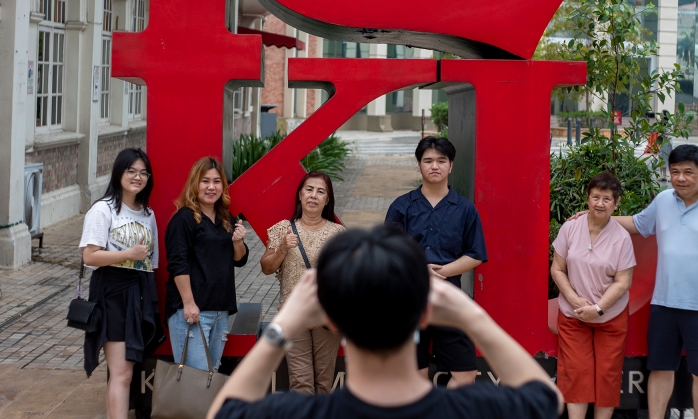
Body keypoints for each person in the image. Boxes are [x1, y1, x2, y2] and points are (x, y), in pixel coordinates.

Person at [209, 226, 563, 419]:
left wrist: (285, 322)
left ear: (331, 320)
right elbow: (547, 399)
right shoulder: (471, 410)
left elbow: (224, 410)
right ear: (426, 312)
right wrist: (470, 314)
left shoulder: (300, 412)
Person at [573, 144, 698, 419]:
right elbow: (638, 224)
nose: (680, 178)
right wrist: (595, 216)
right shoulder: (664, 200)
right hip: (664, 304)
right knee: (660, 368)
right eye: (675, 171)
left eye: (688, 172)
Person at [385, 136, 487, 387]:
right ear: (419, 165)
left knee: (465, 376)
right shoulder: (401, 207)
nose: (435, 166)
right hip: (409, 299)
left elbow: (475, 254)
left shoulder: (465, 209)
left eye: (441, 161)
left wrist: (436, 273)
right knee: (416, 376)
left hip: (448, 297)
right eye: (428, 161)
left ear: (451, 166)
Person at [79, 147, 161, 419]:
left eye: (143, 173)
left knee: (127, 371)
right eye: (131, 171)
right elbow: (89, 256)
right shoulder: (103, 210)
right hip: (111, 292)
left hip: (138, 293)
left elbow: (152, 262)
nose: (137, 177)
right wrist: (128, 254)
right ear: (119, 173)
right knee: (121, 372)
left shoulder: (147, 213)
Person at [550, 172, 635, 419]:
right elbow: (557, 269)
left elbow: (623, 281)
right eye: (595, 196)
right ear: (587, 198)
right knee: (575, 372)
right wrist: (576, 301)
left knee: (608, 374)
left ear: (616, 204)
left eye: (607, 199)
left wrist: (598, 308)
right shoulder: (570, 227)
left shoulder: (621, 237)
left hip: (610, 317)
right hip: (573, 315)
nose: (600, 203)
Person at [260, 171, 346, 394]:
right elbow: (266, 268)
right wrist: (282, 248)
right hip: (293, 315)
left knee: (324, 384)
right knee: (301, 384)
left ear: (327, 199)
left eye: (321, 192)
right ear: (300, 194)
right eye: (309, 189)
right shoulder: (283, 229)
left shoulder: (338, 234)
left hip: (325, 317)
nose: (313, 196)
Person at [165, 157, 249, 373]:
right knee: (196, 379)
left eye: (216, 181)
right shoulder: (183, 219)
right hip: (193, 311)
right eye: (205, 181)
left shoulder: (225, 217)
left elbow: (239, 260)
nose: (211, 187)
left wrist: (238, 242)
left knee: (210, 379)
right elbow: (178, 264)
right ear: (195, 184)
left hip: (220, 309)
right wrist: (189, 303)